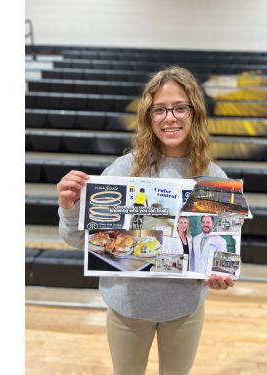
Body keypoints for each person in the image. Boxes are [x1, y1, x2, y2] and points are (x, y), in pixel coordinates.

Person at [56, 66, 234, 375]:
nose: (170, 117)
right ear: (148, 117)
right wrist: (69, 207)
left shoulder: (213, 179)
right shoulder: (123, 170)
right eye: (159, 110)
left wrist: (219, 274)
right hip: (128, 308)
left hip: (183, 310)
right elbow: (78, 240)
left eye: (180, 107)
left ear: (194, 113)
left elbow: (218, 255)